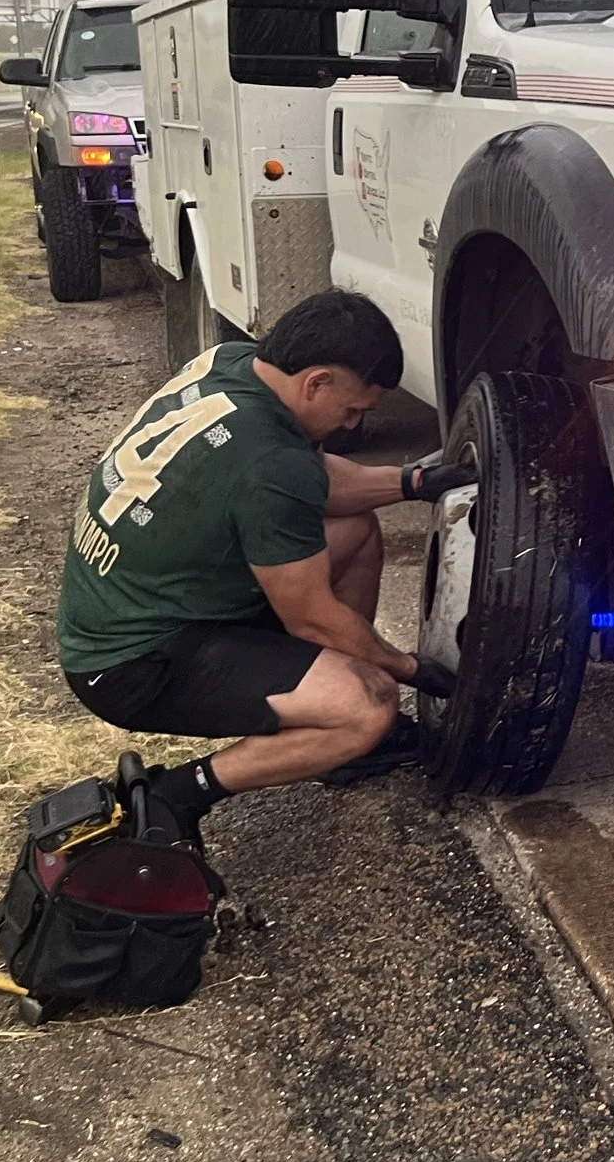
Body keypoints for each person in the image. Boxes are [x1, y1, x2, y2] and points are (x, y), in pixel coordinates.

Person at [54, 290, 469, 839]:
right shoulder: (270, 461)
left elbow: (317, 484)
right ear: (315, 382)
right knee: (370, 703)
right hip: (133, 664)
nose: (351, 427)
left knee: (354, 530)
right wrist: (407, 668)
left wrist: (411, 482)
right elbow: (310, 616)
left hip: (130, 607)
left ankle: (338, 731)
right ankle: (177, 796)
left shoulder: (229, 363)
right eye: (351, 411)